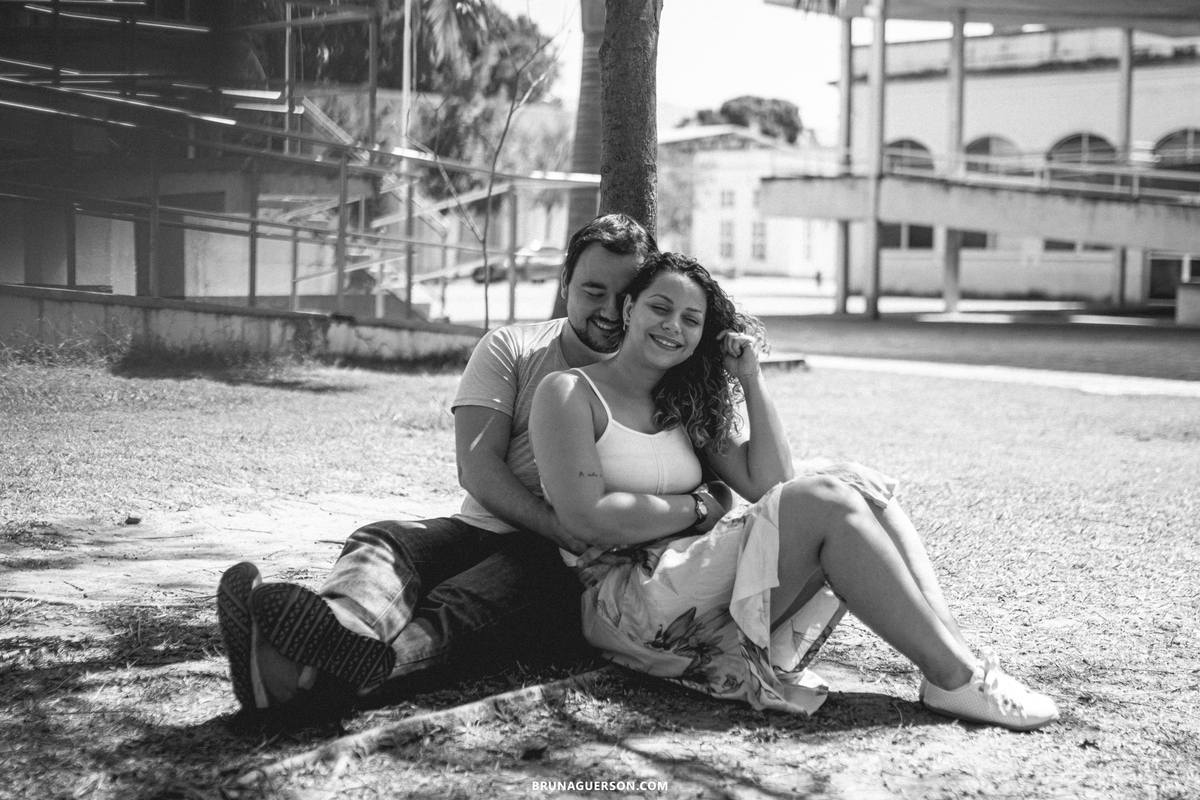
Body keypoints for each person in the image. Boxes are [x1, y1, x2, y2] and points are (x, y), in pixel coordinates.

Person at [529, 251, 1059, 731]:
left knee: (854, 480)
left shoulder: (682, 403)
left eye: (690, 320)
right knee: (825, 499)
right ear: (628, 309)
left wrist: (750, 380)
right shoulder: (571, 391)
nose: (673, 327)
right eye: (660, 308)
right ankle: (957, 676)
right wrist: (696, 507)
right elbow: (586, 518)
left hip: (689, 575)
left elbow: (772, 484)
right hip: (627, 602)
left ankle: (957, 669)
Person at [215, 214, 657, 713]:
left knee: (466, 602)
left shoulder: (652, 371)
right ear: (564, 284)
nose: (609, 311)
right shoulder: (513, 348)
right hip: (485, 527)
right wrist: (557, 524)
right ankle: (341, 627)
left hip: (559, 562)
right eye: (593, 291)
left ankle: (318, 671)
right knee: (383, 539)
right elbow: (477, 465)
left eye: (624, 297)